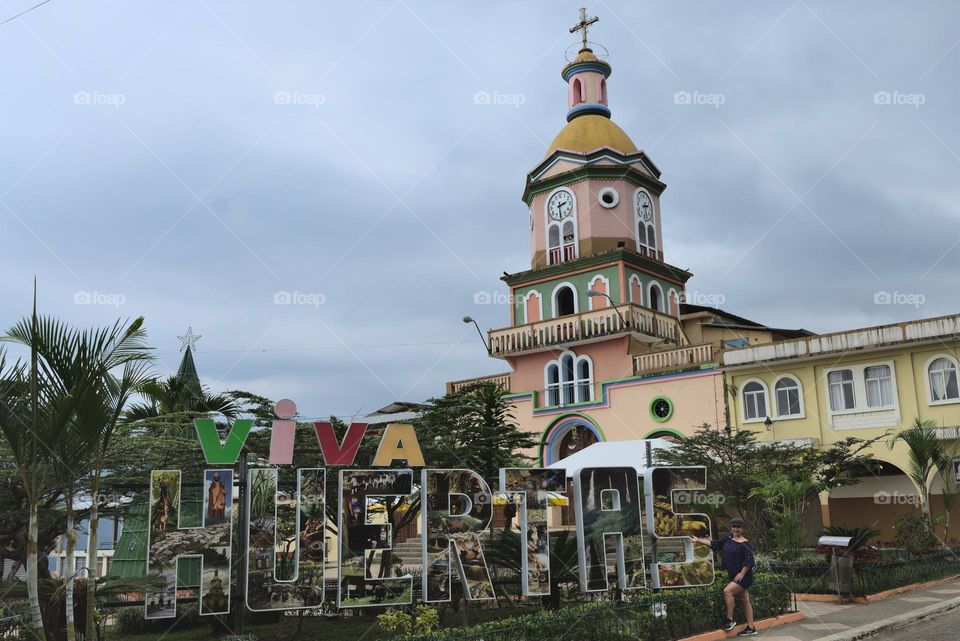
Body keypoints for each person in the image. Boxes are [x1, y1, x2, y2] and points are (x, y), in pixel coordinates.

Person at [689, 516, 757, 637]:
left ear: (742, 528)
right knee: (746, 600)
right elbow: (714, 544)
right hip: (734, 576)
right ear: (731, 527)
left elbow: (749, 560)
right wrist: (698, 540)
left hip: (743, 577)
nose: (736, 529)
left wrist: (742, 573)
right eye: (734, 526)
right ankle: (751, 627)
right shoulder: (727, 540)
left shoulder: (745, 543)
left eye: (738, 527)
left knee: (727, 591)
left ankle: (729, 620)